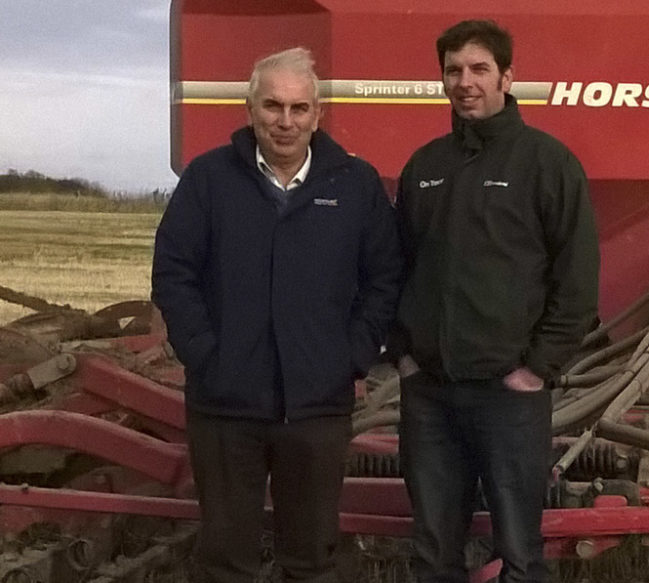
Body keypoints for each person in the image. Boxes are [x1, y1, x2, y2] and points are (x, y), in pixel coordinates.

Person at [152, 47, 402, 583]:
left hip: (316, 410)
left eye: (298, 108)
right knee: (225, 562)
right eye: (272, 106)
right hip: (224, 408)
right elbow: (173, 273)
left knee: (311, 561)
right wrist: (205, 356)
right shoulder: (208, 180)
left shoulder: (355, 185)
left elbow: (384, 281)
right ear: (249, 109)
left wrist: (350, 358)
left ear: (317, 113)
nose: (285, 121)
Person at [390, 20, 600, 583]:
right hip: (431, 396)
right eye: (453, 71)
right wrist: (405, 357)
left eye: (479, 69)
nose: (465, 82)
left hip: (509, 398)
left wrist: (536, 369)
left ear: (508, 76)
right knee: (433, 556)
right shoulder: (425, 168)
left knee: (519, 556)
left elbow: (577, 282)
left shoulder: (547, 165)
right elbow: (393, 270)